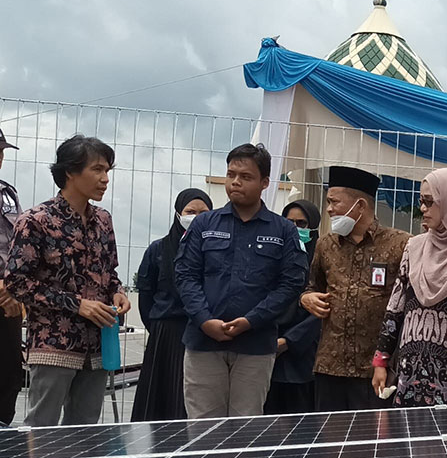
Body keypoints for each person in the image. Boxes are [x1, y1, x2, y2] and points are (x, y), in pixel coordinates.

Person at [4, 135, 131, 426]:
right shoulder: (36, 220)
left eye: (108, 171)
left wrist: (118, 292)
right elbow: (17, 282)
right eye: (97, 170)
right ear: (70, 172)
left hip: (98, 345)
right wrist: (77, 305)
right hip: (53, 346)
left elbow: (109, 272)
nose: (105, 179)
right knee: (42, 428)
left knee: (86, 430)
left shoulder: (103, 220)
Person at [174, 143, 307, 419]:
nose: (235, 182)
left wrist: (251, 321)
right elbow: (185, 275)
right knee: (202, 428)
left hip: (255, 346)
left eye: (245, 177)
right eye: (231, 174)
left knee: (245, 428)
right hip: (203, 343)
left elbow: (291, 284)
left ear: (265, 183)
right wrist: (204, 320)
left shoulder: (283, 230)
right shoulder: (204, 225)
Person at [372, 168, 447, 406]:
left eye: (429, 202)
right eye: (421, 201)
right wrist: (381, 360)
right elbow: (395, 307)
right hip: (410, 372)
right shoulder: (414, 248)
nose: (422, 209)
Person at [301, 166, 409, 412]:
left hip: (377, 369)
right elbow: (311, 286)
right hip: (330, 366)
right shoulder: (325, 245)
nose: (329, 209)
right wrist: (306, 298)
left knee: (372, 445)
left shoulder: (400, 245)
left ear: (360, 206)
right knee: (331, 443)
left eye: (334, 202)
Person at [131, 188, 213, 422]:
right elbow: (146, 297)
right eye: (190, 212)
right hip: (165, 337)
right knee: (161, 402)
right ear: (178, 214)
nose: (196, 218)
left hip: (202, 332)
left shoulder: (215, 250)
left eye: (203, 213)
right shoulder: (158, 249)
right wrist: (159, 326)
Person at [264, 199, 322, 414]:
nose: (295, 229)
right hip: (268, 349)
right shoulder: (271, 257)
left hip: (304, 355)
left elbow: (324, 309)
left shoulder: (321, 260)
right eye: (289, 222)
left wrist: (289, 341)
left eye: (301, 223)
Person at [0, 128, 23, 426]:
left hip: (10, 299)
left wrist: (13, 288)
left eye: (2, 151)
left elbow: (18, 246)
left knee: (9, 375)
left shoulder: (8, 193)